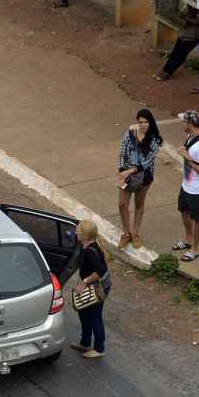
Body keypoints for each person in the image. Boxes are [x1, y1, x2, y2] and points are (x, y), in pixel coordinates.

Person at [116, 109, 163, 250]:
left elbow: (147, 162)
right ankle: (126, 233)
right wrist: (121, 170)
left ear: (150, 123)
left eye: (146, 122)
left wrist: (129, 171)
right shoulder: (129, 135)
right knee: (122, 204)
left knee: (139, 203)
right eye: (140, 122)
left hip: (144, 176)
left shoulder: (154, 139)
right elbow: (122, 153)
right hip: (126, 174)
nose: (143, 125)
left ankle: (135, 233)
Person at [69, 220, 111, 359]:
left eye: (78, 231)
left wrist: (84, 283)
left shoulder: (90, 252)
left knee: (95, 316)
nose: (75, 233)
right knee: (83, 312)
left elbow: (100, 270)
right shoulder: (86, 245)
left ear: (85, 236)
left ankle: (99, 348)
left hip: (98, 287)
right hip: (93, 284)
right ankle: (85, 342)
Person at [173, 110, 199, 262]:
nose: (182, 124)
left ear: (190, 123)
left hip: (198, 189)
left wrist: (186, 156)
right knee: (183, 210)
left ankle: (194, 249)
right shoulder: (190, 136)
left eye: (184, 121)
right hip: (187, 185)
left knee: (198, 218)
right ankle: (188, 239)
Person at [154, 7, 199, 81]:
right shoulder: (190, 5)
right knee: (175, 52)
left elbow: (197, 22)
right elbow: (182, 15)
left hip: (194, 35)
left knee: (181, 55)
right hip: (186, 32)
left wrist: (185, 17)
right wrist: (185, 16)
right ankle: (165, 70)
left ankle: (168, 72)